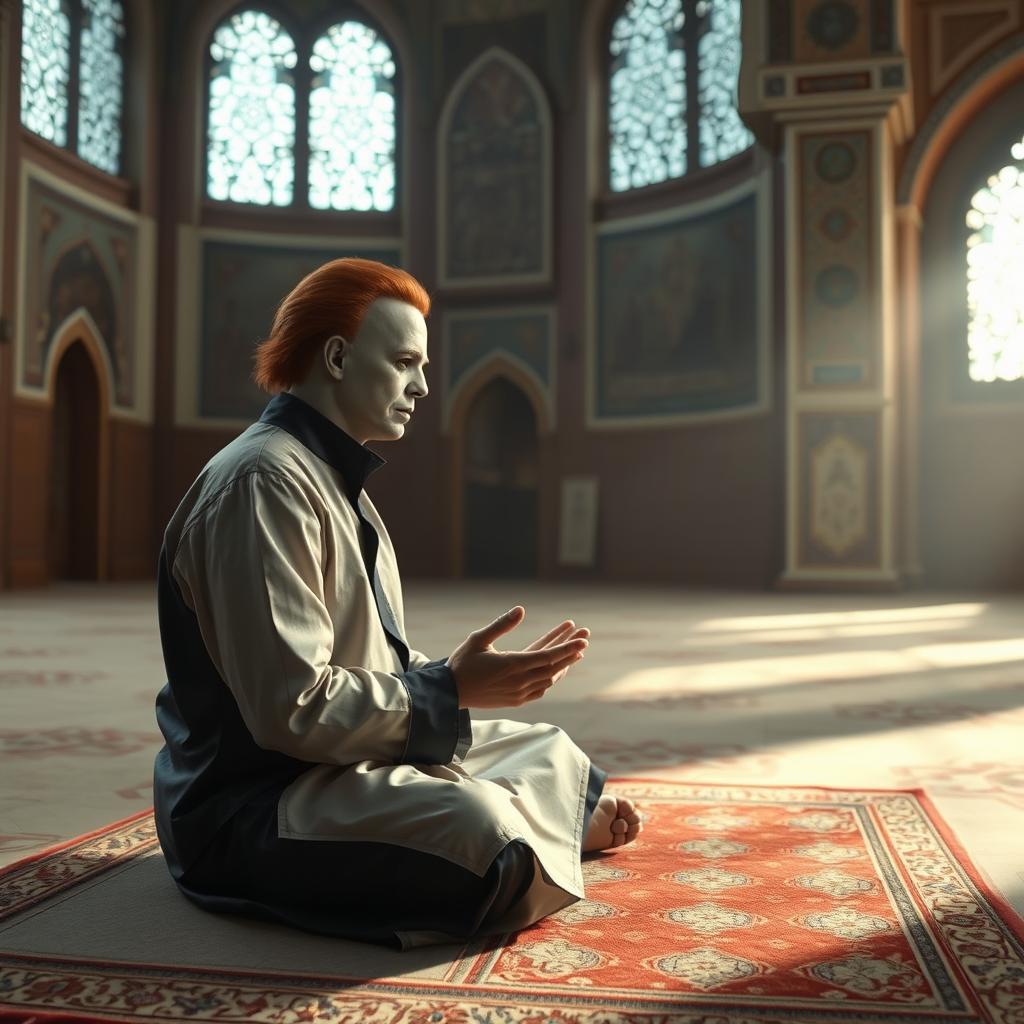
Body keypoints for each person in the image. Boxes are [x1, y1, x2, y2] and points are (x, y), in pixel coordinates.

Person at [152, 258, 641, 949]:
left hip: (339, 761)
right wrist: (448, 690)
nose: (423, 386)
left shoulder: (336, 483)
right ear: (338, 357)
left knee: (551, 750)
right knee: (479, 832)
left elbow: (378, 663)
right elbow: (291, 709)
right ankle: (536, 834)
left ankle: (541, 830)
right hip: (256, 800)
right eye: (406, 361)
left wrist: (463, 681)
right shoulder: (262, 483)